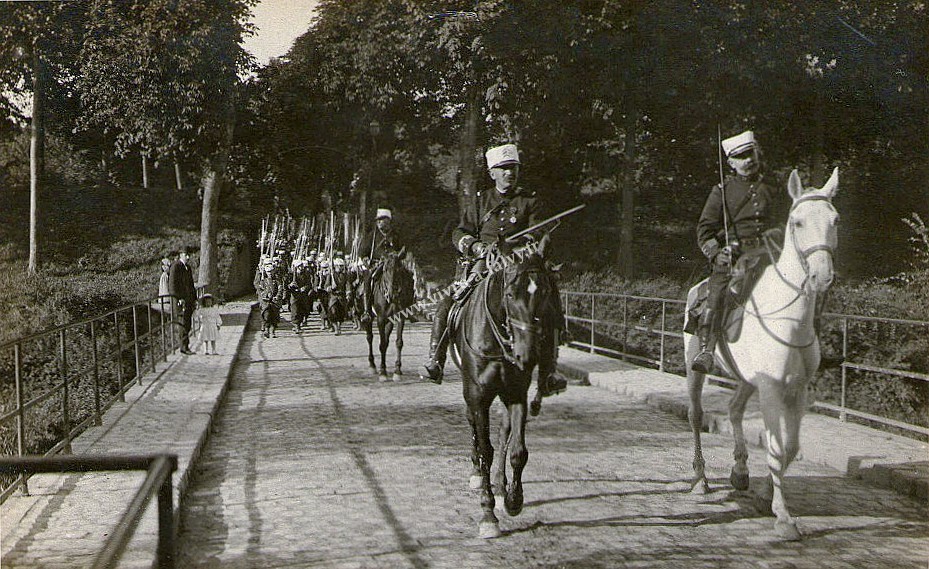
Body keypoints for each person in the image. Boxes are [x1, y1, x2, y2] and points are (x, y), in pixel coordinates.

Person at [420, 143, 568, 398]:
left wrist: (521, 246)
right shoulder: (481, 201)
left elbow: (537, 233)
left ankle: (548, 373)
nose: (509, 173)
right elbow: (460, 232)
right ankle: (436, 360)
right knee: (450, 300)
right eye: (503, 169)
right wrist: (476, 246)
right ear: (492, 173)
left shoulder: (529, 201)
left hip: (519, 265)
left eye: (513, 168)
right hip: (485, 264)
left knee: (547, 298)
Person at [692, 130, 786, 374]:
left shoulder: (773, 187)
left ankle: (811, 344)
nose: (748, 160)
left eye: (750, 154)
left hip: (769, 253)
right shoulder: (722, 191)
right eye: (741, 157)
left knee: (804, 285)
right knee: (718, 292)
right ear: (731, 163)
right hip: (734, 256)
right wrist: (715, 253)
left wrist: (776, 234)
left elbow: (785, 221)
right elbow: (704, 229)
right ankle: (706, 350)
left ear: (757, 153)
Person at [358, 208, 406, 322]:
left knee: (407, 277)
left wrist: (398, 254)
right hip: (377, 264)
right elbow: (363, 252)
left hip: (393, 264)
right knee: (368, 280)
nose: (379, 222)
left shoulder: (396, 235)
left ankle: (408, 306)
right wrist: (366, 260)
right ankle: (367, 310)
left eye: (381, 220)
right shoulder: (372, 236)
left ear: (388, 221)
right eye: (378, 220)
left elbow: (403, 250)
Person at [168, 247, 197, 355]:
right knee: (183, 323)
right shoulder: (176, 266)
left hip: (188, 300)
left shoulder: (187, 267)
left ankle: (186, 345)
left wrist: (195, 299)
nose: (188, 257)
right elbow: (172, 285)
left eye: (189, 255)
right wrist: (178, 298)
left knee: (188, 323)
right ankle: (183, 347)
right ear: (181, 255)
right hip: (180, 301)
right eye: (186, 255)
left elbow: (191, 284)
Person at [256, 258, 283, 338]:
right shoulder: (263, 280)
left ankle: (272, 331)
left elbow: (280, 288)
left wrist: (277, 296)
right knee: (266, 315)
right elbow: (260, 289)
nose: (270, 273)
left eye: (271, 271)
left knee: (274, 316)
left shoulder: (277, 279)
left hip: (275, 301)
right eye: (268, 272)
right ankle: (266, 329)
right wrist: (264, 295)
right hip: (266, 301)